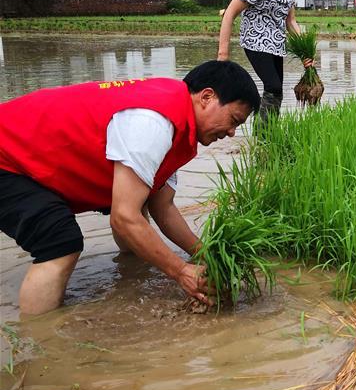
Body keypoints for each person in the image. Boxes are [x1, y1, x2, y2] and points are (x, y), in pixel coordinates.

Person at [0, 61, 261, 315]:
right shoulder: (153, 122)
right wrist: (182, 272)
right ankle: (40, 344)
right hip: (7, 157)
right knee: (59, 242)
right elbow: (124, 217)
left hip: (36, 158)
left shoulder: (178, 121)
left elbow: (163, 207)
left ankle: (130, 272)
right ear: (206, 97)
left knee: (140, 199)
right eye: (234, 120)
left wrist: (206, 254)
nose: (231, 133)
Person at [217, 0, 313, 124]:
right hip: (255, 40)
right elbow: (230, 14)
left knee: (277, 90)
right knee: (273, 86)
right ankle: (263, 135)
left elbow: (291, 21)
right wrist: (222, 56)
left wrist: (306, 52)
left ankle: (270, 132)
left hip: (276, 44)